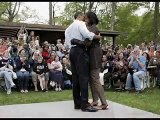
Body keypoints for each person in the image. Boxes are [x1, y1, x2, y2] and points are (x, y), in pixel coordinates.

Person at [65, 12, 102, 112]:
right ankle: (85, 104)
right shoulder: (80, 24)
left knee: (75, 78)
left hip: (72, 52)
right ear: (79, 16)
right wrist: (95, 36)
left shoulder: (68, 28)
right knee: (83, 78)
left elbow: (66, 44)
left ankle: (77, 103)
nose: (84, 19)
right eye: (83, 17)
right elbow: (86, 34)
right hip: (80, 51)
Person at [83, 11, 109, 110]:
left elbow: (88, 43)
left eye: (86, 18)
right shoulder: (91, 27)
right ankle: (95, 100)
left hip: (94, 54)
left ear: (90, 18)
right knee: (92, 79)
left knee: (95, 79)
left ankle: (104, 103)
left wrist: (79, 42)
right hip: (92, 53)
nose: (85, 19)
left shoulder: (92, 28)